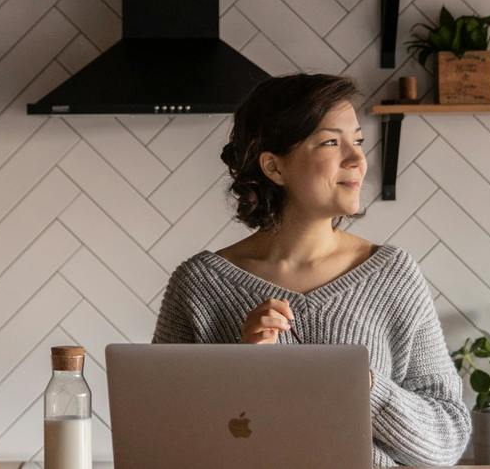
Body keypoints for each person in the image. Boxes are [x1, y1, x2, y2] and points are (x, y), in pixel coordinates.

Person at [152, 73, 471, 467]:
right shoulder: (199, 285)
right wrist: (241, 370)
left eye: (357, 140)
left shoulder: (392, 274)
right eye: (331, 142)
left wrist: (362, 385)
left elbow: (447, 440)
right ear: (274, 167)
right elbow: (159, 442)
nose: (357, 159)